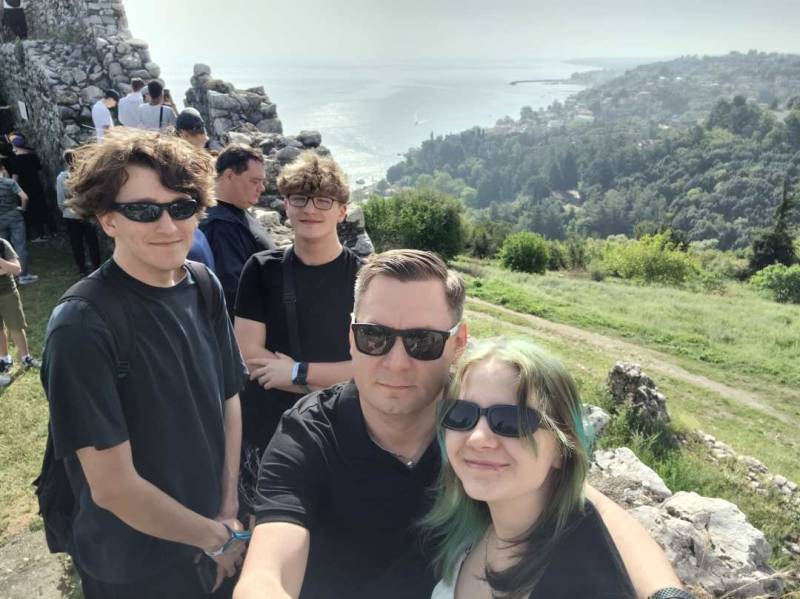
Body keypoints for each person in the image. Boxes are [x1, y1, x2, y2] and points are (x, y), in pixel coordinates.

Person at [234, 249, 683, 599]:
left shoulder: (472, 423)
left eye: (422, 341)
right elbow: (267, 570)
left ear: (458, 343)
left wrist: (666, 593)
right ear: (350, 337)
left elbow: (589, 504)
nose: (396, 362)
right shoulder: (310, 435)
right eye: (374, 336)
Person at [41, 128, 248, 598]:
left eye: (182, 207)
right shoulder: (81, 326)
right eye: (143, 210)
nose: (168, 226)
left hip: (212, 532)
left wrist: (227, 508)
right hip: (137, 566)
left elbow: (229, 397)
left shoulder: (203, 285)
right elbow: (113, 487)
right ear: (107, 219)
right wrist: (215, 539)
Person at [426, 338, 636, 599]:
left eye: (511, 420)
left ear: (561, 449)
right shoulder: (469, 529)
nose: (478, 438)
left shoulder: (585, 584)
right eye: (461, 414)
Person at [233, 150, 358, 511]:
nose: (310, 209)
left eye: (323, 200)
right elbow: (251, 358)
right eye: (300, 198)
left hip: (337, 429)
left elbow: (369, 370)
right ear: (286, 205)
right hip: (269, 428)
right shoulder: (261, 269)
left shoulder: (364, 278)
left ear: (342, 211)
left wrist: (295, 372)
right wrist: (327, 382)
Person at [200, 144, 274, 316]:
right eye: (254, 181)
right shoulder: (220, 226)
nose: (262, 188)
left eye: (262, 182)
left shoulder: (237, 210)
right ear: (229, 175)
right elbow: (234, 295)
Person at [56, 149, 101, 275]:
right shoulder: (87, 174)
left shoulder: (62, 177)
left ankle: (82, 268)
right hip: (87, 212)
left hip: (70, 213)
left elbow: (61, 197)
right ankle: (96, 265)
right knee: (92, 241)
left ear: (65, 161)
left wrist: (64, 210)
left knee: (76, 243)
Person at [0, 234, 40, 373]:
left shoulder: (2, 244)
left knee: (16, 326)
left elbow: (17, 269)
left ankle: (25, 357)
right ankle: (4, 359)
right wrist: (4, 270)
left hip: (7, 293)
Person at [6, 135, 52, 244]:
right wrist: (44, 184)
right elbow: (40, 172)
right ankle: (49, 231)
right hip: (36, 185)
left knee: (29, 210)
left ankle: (37, 234)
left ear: (14, 145)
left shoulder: (15, 160)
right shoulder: (33, 156)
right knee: (41, 207)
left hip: (24, 187)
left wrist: (13, 191)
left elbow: (15, 178)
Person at [0, 161, 36, 284]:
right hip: (14, 216)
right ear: (2, 168)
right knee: (20, 246)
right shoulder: (10, 182)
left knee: (3, 248)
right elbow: (24, 197)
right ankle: (23, 275)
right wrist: (22, 208)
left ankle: (9, 274)